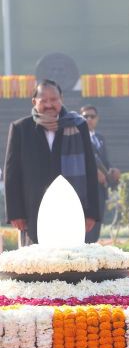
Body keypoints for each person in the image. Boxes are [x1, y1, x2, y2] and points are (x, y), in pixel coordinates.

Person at [4, 80, 100, 245]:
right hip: (33, 210)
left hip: (71, 207)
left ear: (61, 99)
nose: (49, 104)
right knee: (35, 258)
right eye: (44, 100)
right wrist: (15, 213)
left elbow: (90, 168)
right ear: (34, 101)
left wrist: (91, 212)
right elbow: (12, 173)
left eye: (54, 99)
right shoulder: (21, 128)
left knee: (70, 257)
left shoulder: (78, 126)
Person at [80, 104, 120, 243]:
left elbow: (105, 162)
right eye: (85, 116)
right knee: (86, 226)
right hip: (86, 189)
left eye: (92, 116)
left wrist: (112, 170)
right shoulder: (77, 136)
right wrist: (93, 173)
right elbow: (79, 161)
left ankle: (91, 250)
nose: (89, 119)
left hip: (101, 188)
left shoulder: (100, 138)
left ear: (97, 119)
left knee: (97, 223)